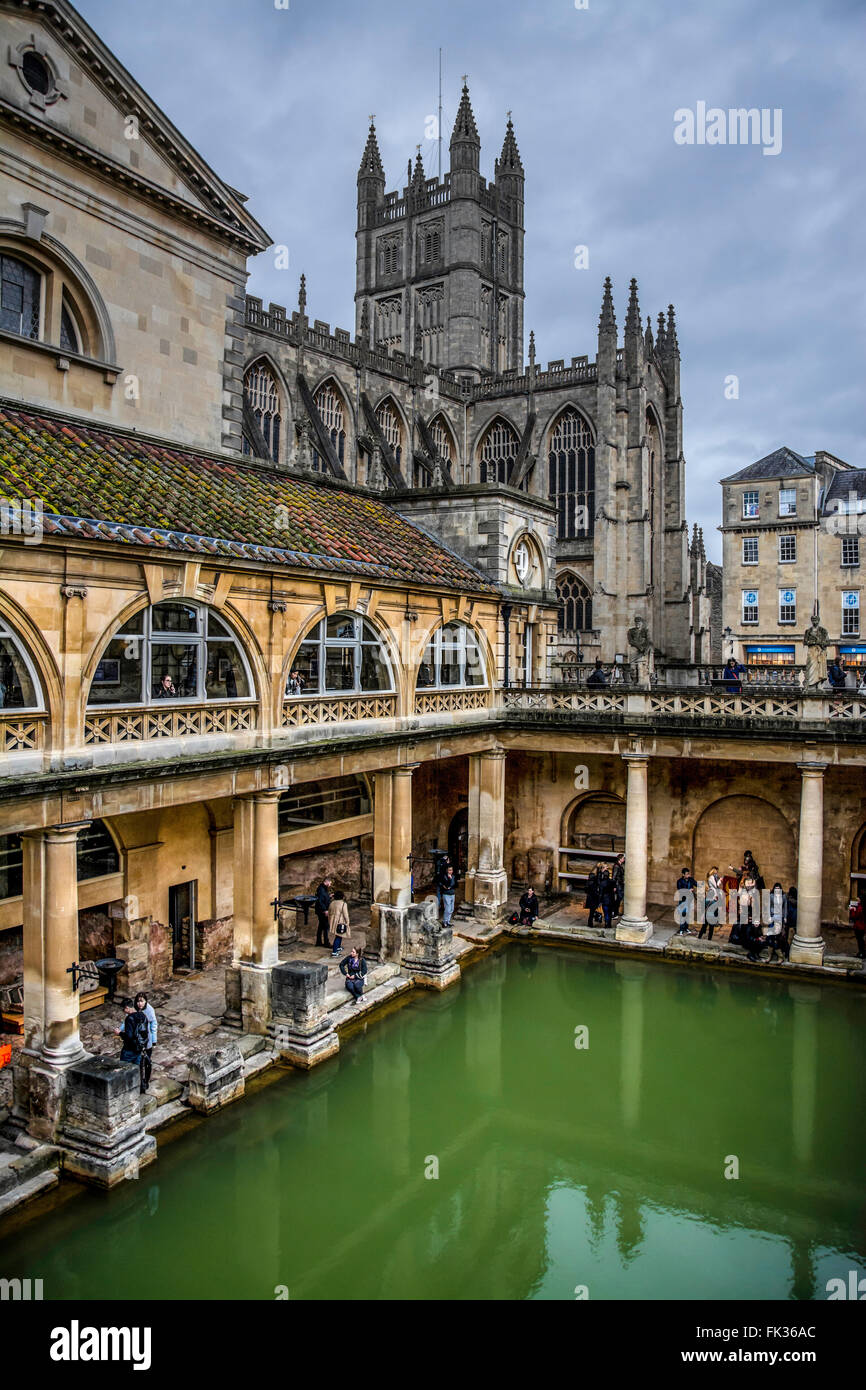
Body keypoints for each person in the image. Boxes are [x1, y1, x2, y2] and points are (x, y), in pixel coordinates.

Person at [115, 997, 149, 1094]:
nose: (124, 1012)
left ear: (127, 1008)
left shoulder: (130, 1018)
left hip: (129, 1049)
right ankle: (139, 1087)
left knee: (124, 1068)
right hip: (139, 1048)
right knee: (137, 1068)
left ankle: (124, 1089)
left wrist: (120, 1033)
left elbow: (129, 1036)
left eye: (124, 1010)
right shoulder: (143, 1016)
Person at [134, 991, 157, 1091]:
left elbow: (154, 1026)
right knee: (139, 1062)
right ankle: (139, 1082)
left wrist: (154, 1040)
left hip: (147, 1041)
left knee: (147, 1062)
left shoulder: (150, 1011)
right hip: (137, 1041)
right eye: (138, 1001)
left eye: (142, 1001)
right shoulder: (135, 1010)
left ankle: (146, 1081)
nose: (140, 1004)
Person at [765, 883, 787, 963]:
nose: (777, 890)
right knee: (771, 936)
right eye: (776, 888)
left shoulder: (783, 896)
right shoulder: (771, 896)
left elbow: (785, 907)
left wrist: (785, 917)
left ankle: (780, 957)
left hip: (780, 917)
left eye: (778, 888)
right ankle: (769, 956)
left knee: (777, 937)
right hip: (772, 916)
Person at [699, 866, 722, 940]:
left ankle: (705, 938)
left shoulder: (713, 877)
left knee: (708, 922)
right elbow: (716, 886)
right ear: (714, 871)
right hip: (711, 900)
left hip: (712, 899)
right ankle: (703, 937)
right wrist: (720, 880)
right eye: (716, 871)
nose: (717, 873)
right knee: (708, 922)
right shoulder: (711, 877)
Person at [675, 867, 697, 934]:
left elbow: (697, 884)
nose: (688, 875)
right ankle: (681, 929)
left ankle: (686, 928)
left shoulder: (691, 879)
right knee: (683, 914)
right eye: (687, 874)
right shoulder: (679, 881)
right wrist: (688, 890)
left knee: (688, 914)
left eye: (688, 874)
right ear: (683, 874)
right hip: (683, 900)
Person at [328, 890, 350, 957]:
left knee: (339, 935)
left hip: (333, 921)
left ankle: (338, 947)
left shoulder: (332, 903)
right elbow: (345, 914)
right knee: (338, 936)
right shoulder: (343, 904)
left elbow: (329, 912)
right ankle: (334, 952)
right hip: (340, 921)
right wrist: (347, 922)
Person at [314, 877, 333, 948]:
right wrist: (325, 910)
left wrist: (329, 896)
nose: (330, 884)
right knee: (326, 926)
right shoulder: (321, 889)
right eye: (330, 883)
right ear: (327, 882)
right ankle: (326, 943)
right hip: (321, 911)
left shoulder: (323, 888)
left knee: (321, 926)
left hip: (321, 910)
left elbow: (323, 897)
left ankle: (318, 942)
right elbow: (320, 901)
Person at [850, 894, 866, 960]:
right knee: (861, 940)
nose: (857, 900)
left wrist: (852, 910)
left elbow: (854, 917)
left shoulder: (859, 907)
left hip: (859, 926)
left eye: (858, 899)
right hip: (862, 926)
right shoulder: (861, 907)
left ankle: (862, 953)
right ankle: (862, 953)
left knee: (860, 940)